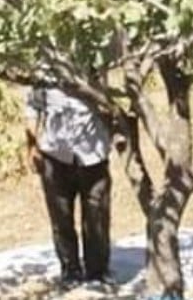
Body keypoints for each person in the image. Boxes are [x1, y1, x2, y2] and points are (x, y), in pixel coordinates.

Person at [25, 79, 116, 286]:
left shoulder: (94, 59)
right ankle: (70, 269)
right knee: (61, 218)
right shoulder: (45, 66)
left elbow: (110, 103)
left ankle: (97, 272)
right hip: (56, 155)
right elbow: (32, 106)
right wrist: (31, 146)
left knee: (97, 216)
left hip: (94, 154)